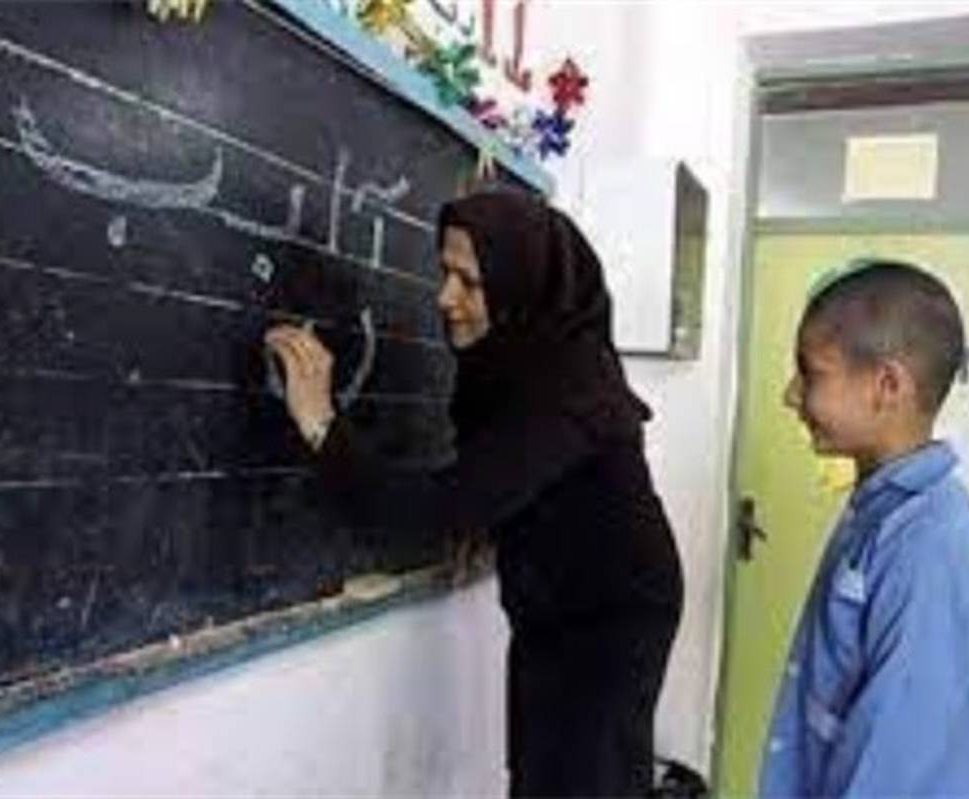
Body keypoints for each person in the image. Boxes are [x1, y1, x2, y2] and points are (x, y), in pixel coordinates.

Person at [265, 189, 684, 798]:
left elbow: (434, 512)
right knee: (544, 767)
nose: (445, 298)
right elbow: (502, 480)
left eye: (470, 282)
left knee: (580, 778)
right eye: (445, 272)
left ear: (520, 285)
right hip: (557, 605)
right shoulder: (514, 361)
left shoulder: (567, 388)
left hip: (606, 620)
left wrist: (321, 424)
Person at [759, 259, 969, 797]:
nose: (791, 396)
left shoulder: (933, 546)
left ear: (886, 384)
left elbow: (890, 767)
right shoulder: (881, 512)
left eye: (811, 374)